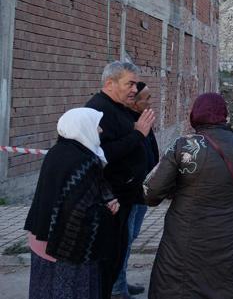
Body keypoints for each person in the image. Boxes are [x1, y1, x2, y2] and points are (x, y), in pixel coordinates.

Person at [144, 93, 233, 299]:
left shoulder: (183, 145)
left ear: (195, 114)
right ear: (224, 115)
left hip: (184, 238)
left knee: (179, 287)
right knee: (225, 287)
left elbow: (152, 193)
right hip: (228, 237)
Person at [24, 108, 120, 299]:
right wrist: (107, 210)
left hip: (41, 236)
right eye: (96, 125)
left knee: (44, 289)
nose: (100, 130)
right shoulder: (84, 160)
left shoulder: (57, 151)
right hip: (69, 248)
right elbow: (79, 211)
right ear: (83, 127)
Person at [86, 61, 156, 299]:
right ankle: (114, 289)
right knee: (112, 252)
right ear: (109, 83)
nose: (135, 90)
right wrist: (137, 134)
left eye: (135, 84)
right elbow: (102, 155)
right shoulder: (97, 111)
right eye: (130, 84)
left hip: (131, 194)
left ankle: (118, 284)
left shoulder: (119, 107)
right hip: (114, 199)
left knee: (122, 247)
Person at [111, 82, 160, 298]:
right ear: (133, 101)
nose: (150, 102)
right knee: (124, 239)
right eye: (146, 98)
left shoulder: (143, 121)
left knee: (130, 239)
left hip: (142, 191)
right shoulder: (129, 125)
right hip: (129, 193)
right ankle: (116, 287)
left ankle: (121, 280)